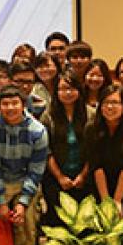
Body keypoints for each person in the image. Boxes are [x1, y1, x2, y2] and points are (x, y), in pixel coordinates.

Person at [0, 85, 48, 245]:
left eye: (15, 103)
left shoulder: (38, 131)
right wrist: (1, 201)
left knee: (27, 222)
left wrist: (22, 202)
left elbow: (36, 171)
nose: (10, 108)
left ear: (24, 105)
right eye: (5, 104)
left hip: (25, 181)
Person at [86, 84, 123, 219]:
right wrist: (107, 201)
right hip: (100, 182)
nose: (110, 107)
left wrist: (118, 200)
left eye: (115, 103)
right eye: (106, 102)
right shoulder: (92, 128)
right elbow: (96, 165)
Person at [40, 71, 91, 227]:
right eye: (62, 89)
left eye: (72, 88)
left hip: (85, 179)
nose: (67, 93)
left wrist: (83, 175)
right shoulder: (48, 116)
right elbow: (46, 151)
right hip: (55, 180)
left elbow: (94, 149)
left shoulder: (91, 114)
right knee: (58, 224)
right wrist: (60, 177)